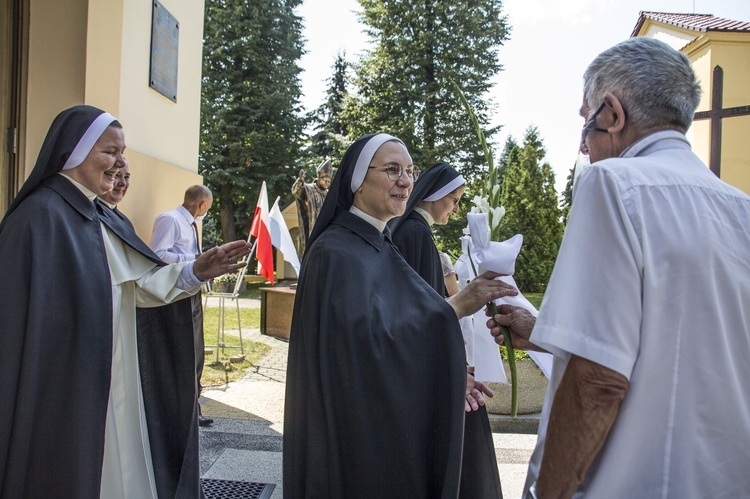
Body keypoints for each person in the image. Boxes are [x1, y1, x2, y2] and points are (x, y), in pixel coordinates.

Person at [488, 37, 750, 499]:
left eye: (584, 122)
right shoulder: (741, 209)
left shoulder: (613, 184)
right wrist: (548, 331)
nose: (583, 147)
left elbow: (598, 379)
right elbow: (687, 337)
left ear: (611, 114)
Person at [0, 105, 251, 498]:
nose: (120, 163)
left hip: (118, 375)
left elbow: (138, 284)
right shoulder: (40, 218)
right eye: (110, 151)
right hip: (66, 387)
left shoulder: (104, 215)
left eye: (122, 152)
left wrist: (196, 271)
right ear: (74, 152)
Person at [283, 133, 518, 498]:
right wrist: (456, 306)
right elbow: (362, 350)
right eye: (392, 170)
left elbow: (396, 325)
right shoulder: (335, 252)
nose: (406, 180)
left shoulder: (379, 242)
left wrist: (451, 372)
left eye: (410, 170)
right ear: (358, 181)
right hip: (356, 432)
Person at [390, 162, 502, 498]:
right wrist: (450, 369)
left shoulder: (411, 230)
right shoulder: (416, 233)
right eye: (453, 199)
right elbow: (427, 312)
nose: (455, 208)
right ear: (435, 196)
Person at [150, 185, 214, 427]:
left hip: (192, 289)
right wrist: (195, 260)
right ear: (202, 204)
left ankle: (192, 406)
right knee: (186, 349)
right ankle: (184, 410)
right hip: (176, 292)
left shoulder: (190, 224)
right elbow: (157, 254)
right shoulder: (170, 220)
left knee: (196, 351)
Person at [291, 159, 332, 255]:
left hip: (326, 233)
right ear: (318, 178)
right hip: (311, 230)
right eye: (324, 179)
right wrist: (300, 181)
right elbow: (297, 192)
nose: (326, 182)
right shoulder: (309, 189)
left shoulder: (329, 195)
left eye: (329, 181)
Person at [99, 163, 131, 227]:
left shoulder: (126, 223)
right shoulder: (90, 213)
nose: (123, 183)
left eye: (126, 177)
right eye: (116, 175)